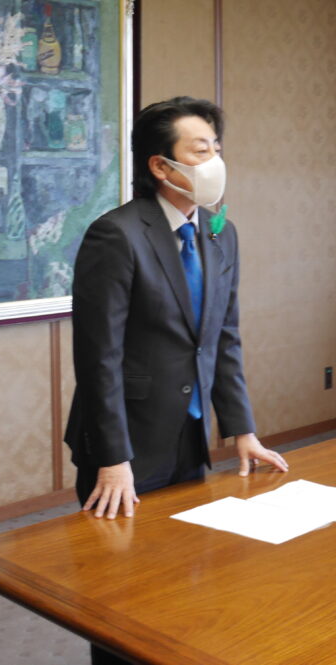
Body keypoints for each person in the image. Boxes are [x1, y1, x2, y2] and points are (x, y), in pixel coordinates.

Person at [65, 96, 288, 521]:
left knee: (186, 547)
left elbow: (223, 338)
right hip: (128, 435)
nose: (214, 162)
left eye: (216, 150)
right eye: (200, 151)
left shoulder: (221, 234)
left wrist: (243, 430)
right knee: (118, 554)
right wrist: (113, 458)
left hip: (191, 429)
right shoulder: (116, 235)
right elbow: (99, 358)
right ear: (160, 166)